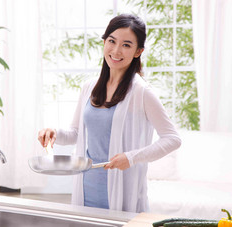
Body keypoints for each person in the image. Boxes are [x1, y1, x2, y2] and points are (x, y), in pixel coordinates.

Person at [37, 14, 181, 213]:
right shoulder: (89, 87)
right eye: (112, 41)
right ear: (104, 42)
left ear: (138, 51)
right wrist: (54, 133)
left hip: (122, 190)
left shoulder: (142, 92)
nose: (116, 50)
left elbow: (172, 138)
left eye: (126, 45)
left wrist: (130, 158)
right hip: (86, 186)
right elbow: (76, 133)